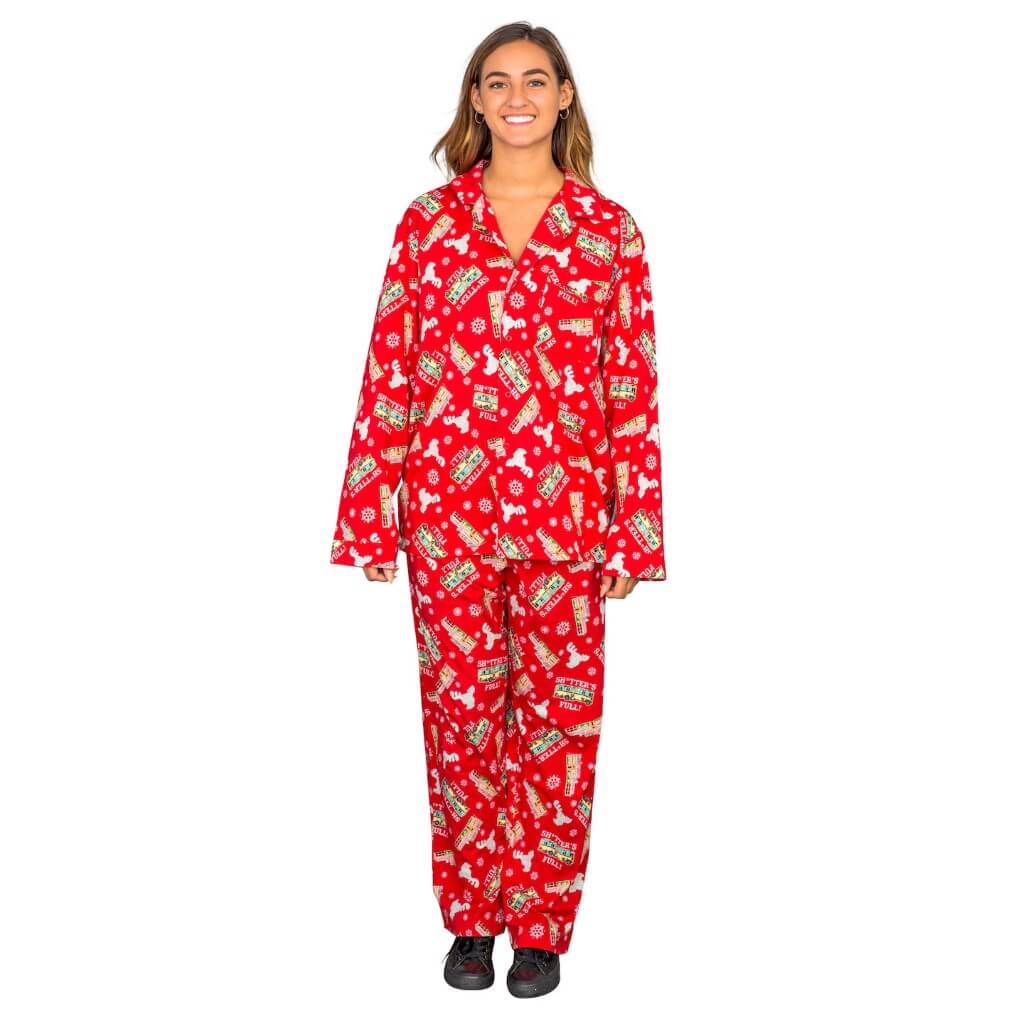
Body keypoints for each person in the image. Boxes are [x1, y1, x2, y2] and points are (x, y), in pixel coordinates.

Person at [329, 22, 667, 998]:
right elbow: (390, 369)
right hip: (449, 518)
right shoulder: (429, 225)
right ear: (475, 99)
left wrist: (634, 530)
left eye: (535, 80)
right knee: (461, 721)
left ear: (564, 96)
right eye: (497, 81)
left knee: (560, 729)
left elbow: (630, 387)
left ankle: (543, 927)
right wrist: (370, 511)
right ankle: (473, 920)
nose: (517, 97)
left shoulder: (609, 231)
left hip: (568, 522)